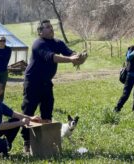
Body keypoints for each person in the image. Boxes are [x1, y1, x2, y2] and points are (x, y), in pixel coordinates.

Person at [21, 19, 86, 153]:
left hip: (46, 82)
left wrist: (78, 56)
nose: (51, 29)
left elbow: (69, 52)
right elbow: (52, 57)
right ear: (40, 32)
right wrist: (70, 60)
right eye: (47, 27)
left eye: (51, 26)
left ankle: (46, 140)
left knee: (47, 108)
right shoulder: (38, 44)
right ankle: (27, 142)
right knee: (28, 111)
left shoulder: (57, 42)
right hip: (32, 82)